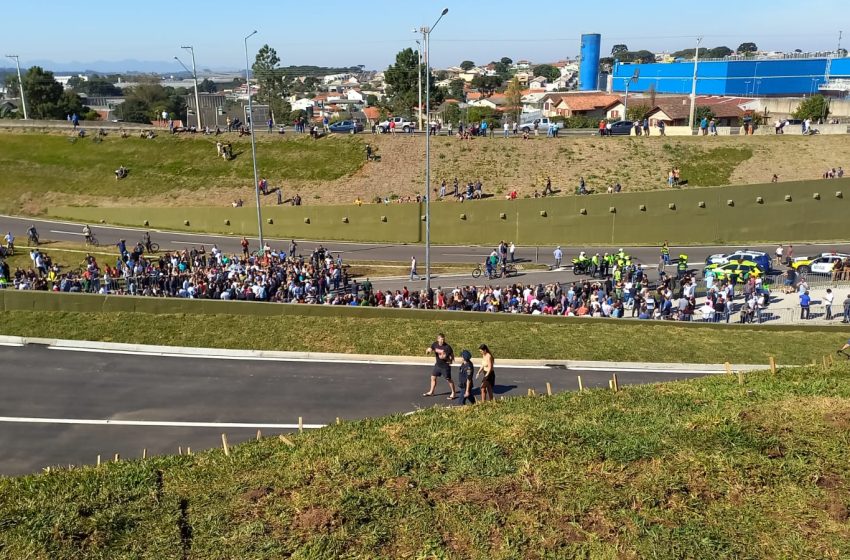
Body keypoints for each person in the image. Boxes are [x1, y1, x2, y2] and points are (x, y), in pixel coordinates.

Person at [424, 333, 456, 399]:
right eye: (441, 339)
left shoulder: (447, 347)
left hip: (445, 367)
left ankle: (453, 393)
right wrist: (428, 351)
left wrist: (446, 358)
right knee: (433, 377)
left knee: (449, 380)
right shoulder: (435, 344)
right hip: (438, 365)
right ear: (438, 339)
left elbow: (452, 357)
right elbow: (431, 348)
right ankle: (431, 391)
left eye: (443, 339)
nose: (443, 341)